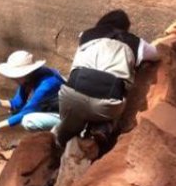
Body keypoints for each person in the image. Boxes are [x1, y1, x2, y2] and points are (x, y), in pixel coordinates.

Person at [51, 9, 161, 151]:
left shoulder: (86, 35)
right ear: (126, 27)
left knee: (66, 130)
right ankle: (103, 128)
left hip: (71, 97)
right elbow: (156, 54)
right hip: (107, 104)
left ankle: (59, 146)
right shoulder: (136, 43)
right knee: (118, 91)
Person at [0, 50, 65, 140]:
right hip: (55, 111)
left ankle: (57, 140)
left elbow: (25, 113)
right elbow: (17, 104)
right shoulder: (30, 77)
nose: (12, 78)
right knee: (17, 112)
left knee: (28, 121)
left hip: (68, 119)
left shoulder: (47, 84)